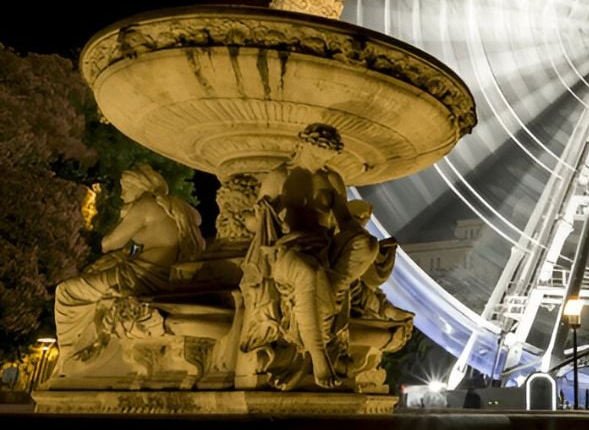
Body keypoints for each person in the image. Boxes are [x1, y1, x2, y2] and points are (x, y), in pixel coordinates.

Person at [240, 123, 381, 390]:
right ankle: (318, 355)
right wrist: (260, 216)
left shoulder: (332, 179)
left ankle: (328, 289)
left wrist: (362, 237)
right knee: (308, 271)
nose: (321, 163)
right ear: (302, 146)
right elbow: (255, 226)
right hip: (286, 253)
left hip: (323, 249)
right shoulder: (279, 177)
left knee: (369, 245)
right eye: (317, 155)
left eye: (326, 158)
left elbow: (345, 223)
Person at [54, 165, 204, 367]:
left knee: (66, 292)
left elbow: (109, 244)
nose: (122, 195)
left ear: (140, 186)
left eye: (125, 188)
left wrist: (122, 219)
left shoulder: (145, 205)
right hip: (165, 274)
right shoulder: (177, 208)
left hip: (139, 275)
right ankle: (85, 345)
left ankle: (67, 355)